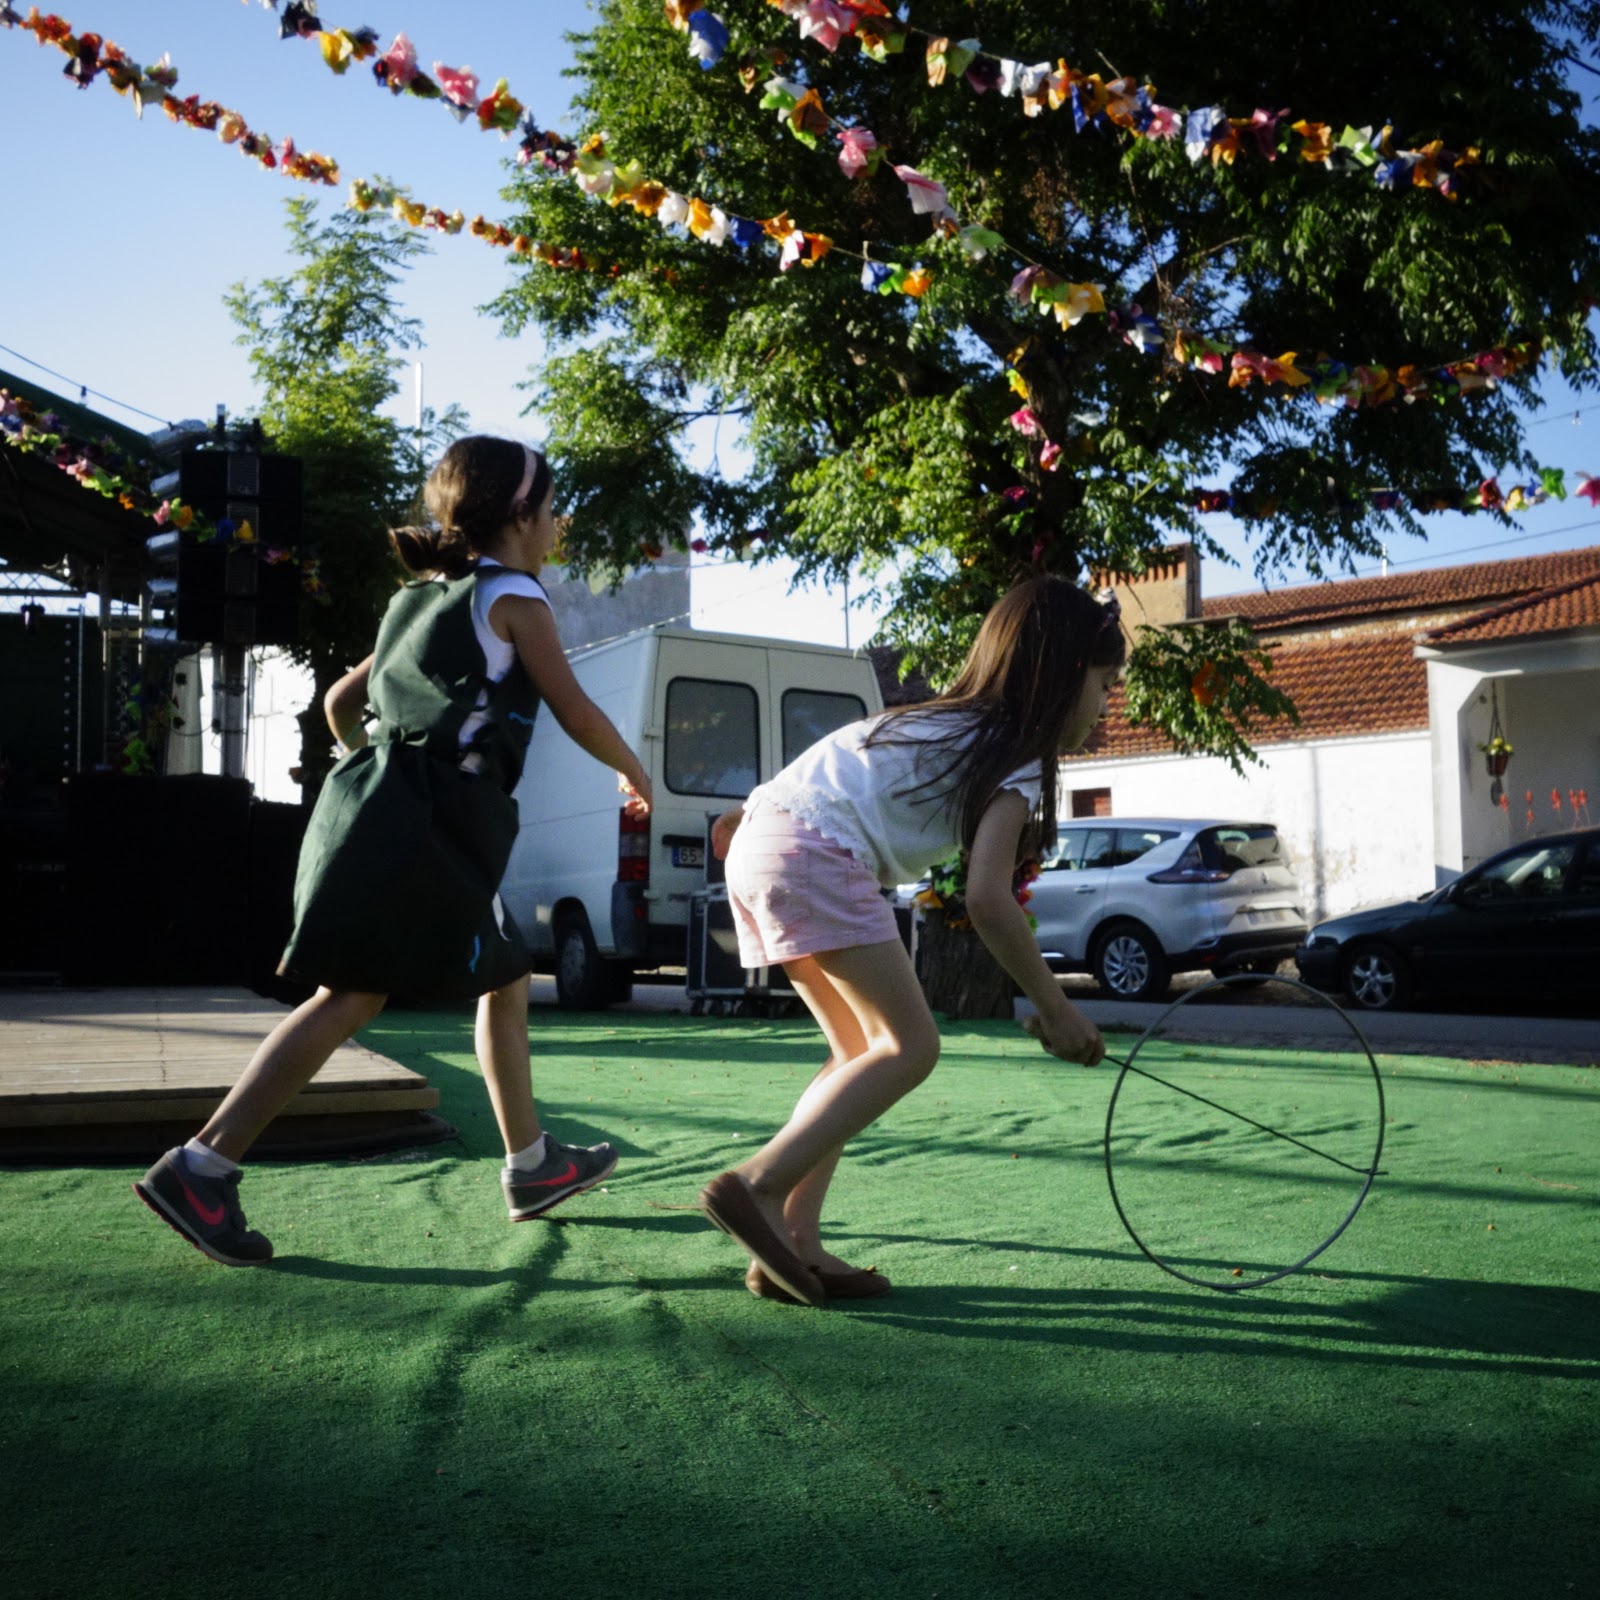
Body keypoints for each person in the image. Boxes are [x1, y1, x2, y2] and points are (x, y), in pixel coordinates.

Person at [134, 436, 652, 1267]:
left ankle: (531, 1164)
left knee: (502, 974)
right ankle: (201, 1167)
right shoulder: (518, 598)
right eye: (552, 510)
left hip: (379, 805)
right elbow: (576, 710)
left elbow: (342, 702)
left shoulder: (418, 598)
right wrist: (633, 769)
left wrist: (378, 769)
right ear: (521, 515)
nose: (558, 525)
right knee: (351, 995)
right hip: (433, 821)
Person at [698, 576, 1123, 1307]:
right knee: (911, 1046)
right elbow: (987, 897)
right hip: (812, 851)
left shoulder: (943, 721)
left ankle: (792, 1239)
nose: (1108, 703)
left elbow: (834, 777)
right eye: (1105, 683)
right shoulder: (1015, 756)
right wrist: (1057, 1010)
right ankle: (757, 1186)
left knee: (856, 1052)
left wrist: (751, 825)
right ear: (1064, 675)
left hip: (763, 837)